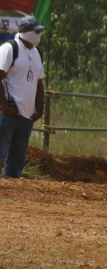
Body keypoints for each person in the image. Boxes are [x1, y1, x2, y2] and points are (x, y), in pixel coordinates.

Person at [0, 16, 45, 179]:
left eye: (40, 31)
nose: (39, 34)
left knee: (17, 159)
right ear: (23, 30)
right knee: (0, 152)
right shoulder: (10, 48)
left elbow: (39, 83)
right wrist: (4, 106)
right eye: (36, 31)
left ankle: (12, 198)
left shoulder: (37, 53)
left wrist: (40, 109)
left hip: (26, 115)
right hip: (8, 113)